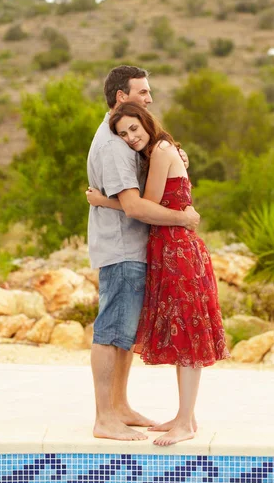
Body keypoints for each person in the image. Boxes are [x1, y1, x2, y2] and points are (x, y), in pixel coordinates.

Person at [87, 102, 230, 446]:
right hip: (170, 251)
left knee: (188, 334)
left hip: (178, 251)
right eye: (122, 133)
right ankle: (186, 417)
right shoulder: (164, 150)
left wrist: (102, 201)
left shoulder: (163, 150)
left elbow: (143, 208)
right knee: (184, 331)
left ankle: (185, 422)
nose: (130, 137)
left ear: (147, 123)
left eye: (134, 128)